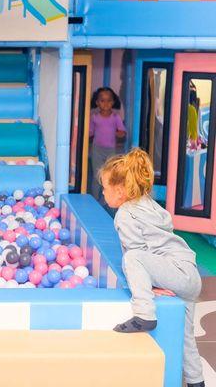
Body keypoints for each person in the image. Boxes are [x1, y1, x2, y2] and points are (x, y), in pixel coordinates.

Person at [100, 148, 203, 387]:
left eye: (105, 187)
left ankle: (144, 315)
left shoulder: (125, 214)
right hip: (188, 273)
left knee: (132, 258)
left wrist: (147, 287)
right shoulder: (148, 204)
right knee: (186, 339)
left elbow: (137, 253)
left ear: (120, 191)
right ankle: (198, 383)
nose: (103, 192)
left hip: (175, 271)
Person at [89, 87, 126, 202]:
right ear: (97, 102)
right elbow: (90, 133)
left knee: (109, 176)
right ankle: (94, 199)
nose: (106, 103)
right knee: (97, 176)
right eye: (102, 100)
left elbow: (122, 132)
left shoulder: (116, 118)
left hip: (111, 150)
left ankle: (106, 200)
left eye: (109, 100)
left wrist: (120, 133)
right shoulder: (94, 117)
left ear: (113, 102)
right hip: (97, 149)